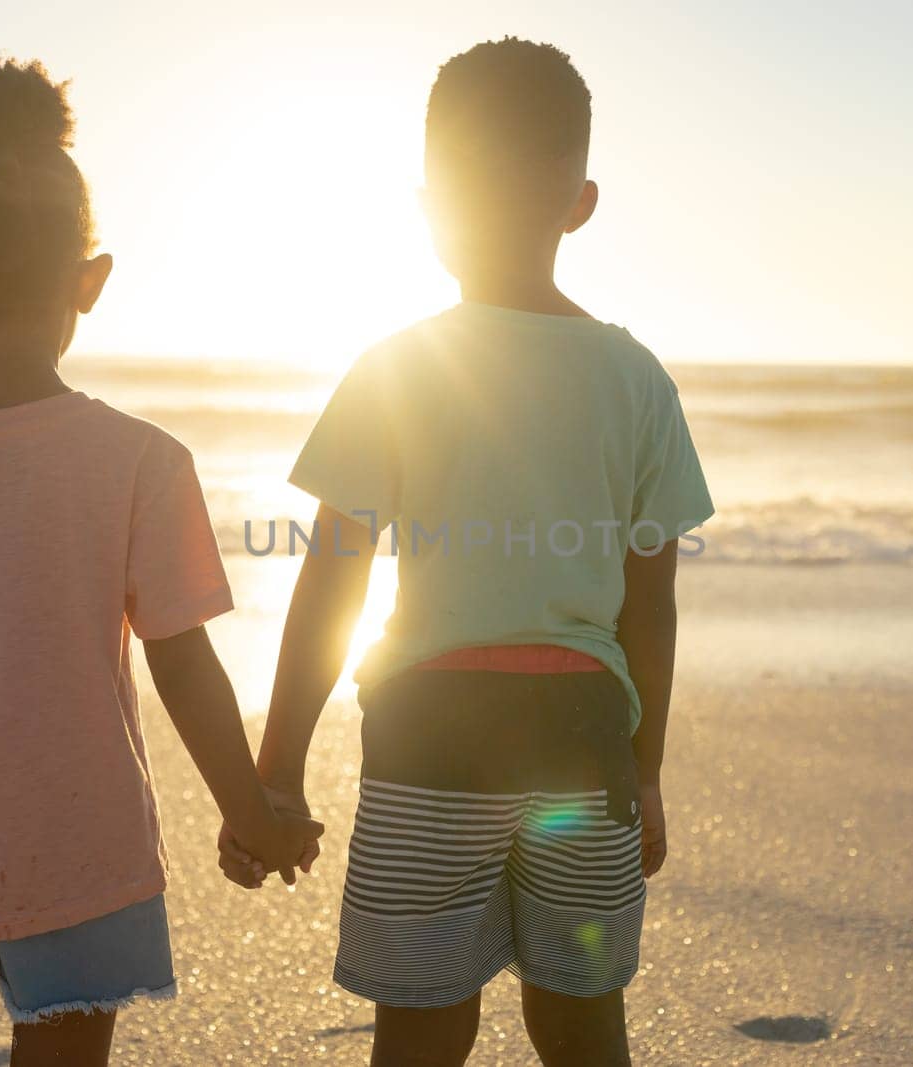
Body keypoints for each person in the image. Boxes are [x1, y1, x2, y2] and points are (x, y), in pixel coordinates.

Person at [0, 57, 320, 1067]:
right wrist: (248, 812)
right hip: (81, 848)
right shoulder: (140, 462)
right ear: (91, 279)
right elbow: (182, 662)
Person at [218, 37, 712, 1067]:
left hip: (431, 739)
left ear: (430, 205)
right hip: (583, 743)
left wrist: (280, 766)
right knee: (580, 1019)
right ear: (579, 201)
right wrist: (648, 767)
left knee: (423, 1022)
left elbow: (332, 579)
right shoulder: (636, 379)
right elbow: (649, 603)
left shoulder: (396, 366)